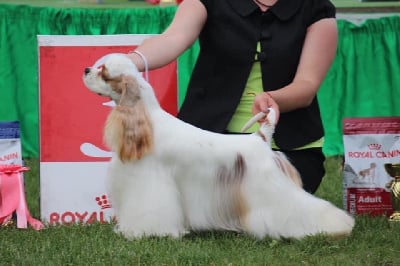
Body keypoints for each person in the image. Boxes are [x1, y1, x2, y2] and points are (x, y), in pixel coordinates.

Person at [123, 0, 338, 194]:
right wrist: (129, 61)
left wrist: (275, 99)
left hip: (287, 147)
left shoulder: (316, 8)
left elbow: (307, 85)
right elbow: (173, 38)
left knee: (271, 208)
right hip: (208, 140)